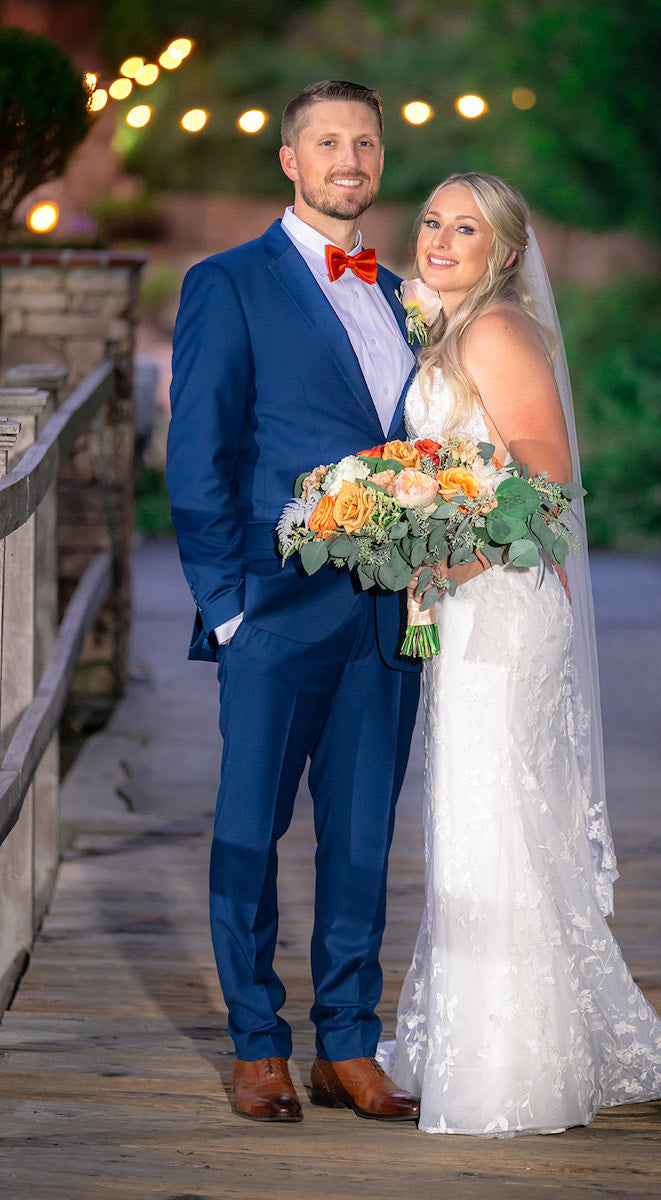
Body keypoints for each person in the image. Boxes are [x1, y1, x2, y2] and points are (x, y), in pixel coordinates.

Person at [376, 172, 661, 1136]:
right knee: (477, 815)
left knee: (495, 816)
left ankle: (510, 1067)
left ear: (503, 252)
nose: (439, 238)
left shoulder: (496, 332)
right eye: (431, 221)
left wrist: (451, 549)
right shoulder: (444, 327)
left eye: (465, 228)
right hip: (466, 605)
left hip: (499, 605)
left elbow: (546, 474)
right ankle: (484, 1035)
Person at [166, 80, 422, 1124]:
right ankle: (258, 1041)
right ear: (290, 160)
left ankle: (348, 1043)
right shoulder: (225, 284)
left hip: (386, 616)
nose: (349, 159)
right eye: (327, 143)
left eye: (363, 141)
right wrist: (228, 607)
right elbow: (199, 458)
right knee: (247, 832)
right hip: (272, 611)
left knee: (363, 835)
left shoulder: (403, 292)